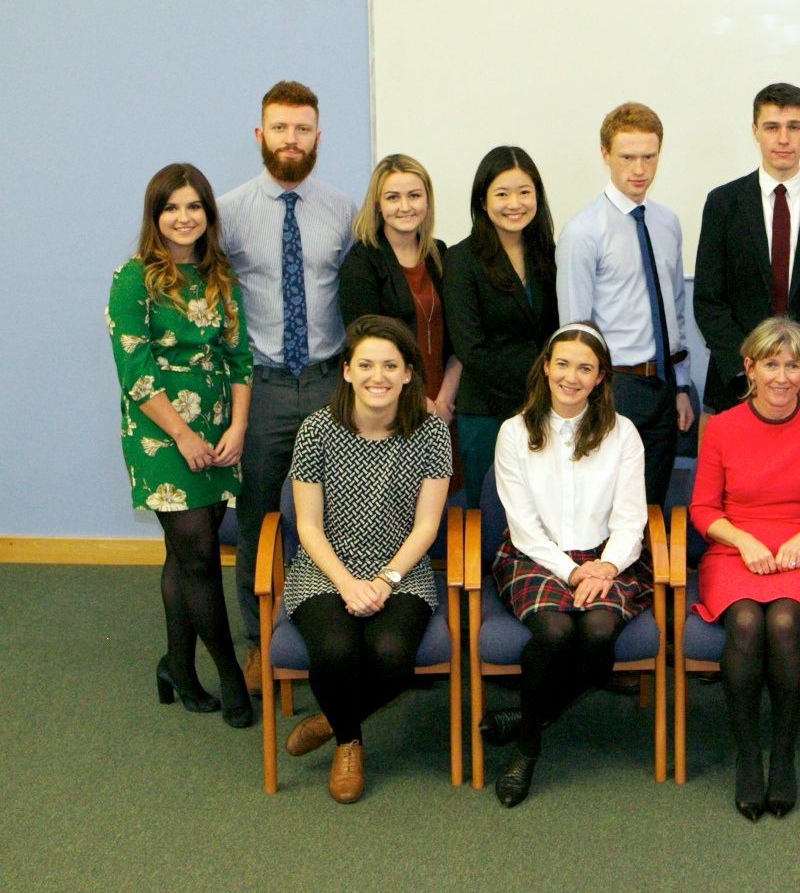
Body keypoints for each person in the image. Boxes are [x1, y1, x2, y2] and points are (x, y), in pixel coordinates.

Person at [688, 317, 800, 821]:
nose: (782, 377)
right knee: (747, 620)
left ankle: (784, 756)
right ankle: (749, 757)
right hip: (735, 550)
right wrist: (742, 539)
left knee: (785, 621)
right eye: (771, 364)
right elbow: (702, 509)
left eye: (793, 365)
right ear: (749, 368)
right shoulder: (722, 426)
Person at [278, 316, 452, 804]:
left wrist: (385, 579)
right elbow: (308, 527)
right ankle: (349, 743)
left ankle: (330, 720)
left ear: (408, 374)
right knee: (336, 651)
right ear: (347, 371)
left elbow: (427, 527)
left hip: (402, 569)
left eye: (391, 366)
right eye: (367, 365)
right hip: (324, 567)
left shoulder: (431, 434)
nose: (379, 376)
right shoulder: (316, 430)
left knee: (393, 655)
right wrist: (347, 583)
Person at [220, 80, 356, 693]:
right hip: (262, 386)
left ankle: (326, 630)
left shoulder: (343, 210)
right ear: (260, 134)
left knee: (332, 514)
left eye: (302, 129)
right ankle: (258, 641)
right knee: (258, 517)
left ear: (318, 136)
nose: (291, 140)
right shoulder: (228, 213)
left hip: (331, 383)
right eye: (280, 128)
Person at [108, 163, 255, 729]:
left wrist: (237, 427)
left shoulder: (221, 277)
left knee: (184, 554)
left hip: (218, 431)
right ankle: (230, 677)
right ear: (155, 215)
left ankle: (177, 668)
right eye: (171, 207)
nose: (183, 217)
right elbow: (135, 371)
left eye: (194, 206)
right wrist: (183, 434)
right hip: (163, 435)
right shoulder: (134, 278)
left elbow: (239, 357)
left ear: (208, 214)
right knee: (198, 553)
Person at [485, 322, 652, 808]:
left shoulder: (623, 433)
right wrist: (573, 571)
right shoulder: (514, 432)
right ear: (546, 367)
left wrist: (607, 566)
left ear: (600, 377)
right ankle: (528, 750)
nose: (571, 377)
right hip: (535, 555)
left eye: (584, 368)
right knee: (555, 631)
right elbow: (523, 525)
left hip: (607, 557)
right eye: (562, 364)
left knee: (599, 630)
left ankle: (529, 716)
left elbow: (631, 519)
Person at [694, 82, 800, 415]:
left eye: (794, 127)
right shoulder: (723, 204)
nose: (783, 138)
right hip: (739, 385)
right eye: (772, 127)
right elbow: (708, 301)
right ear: (755, 131)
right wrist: (750, 367)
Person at [556, 103, 693, 505]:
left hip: (663, 386)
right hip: (612, 387)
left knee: (651, 507)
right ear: (605, 154)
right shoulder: (582, 232)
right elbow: (574, 330)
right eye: (627, 157)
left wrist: (681, 385)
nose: (639, 169)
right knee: (607, 506)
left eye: (649, 157)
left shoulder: (667, 223)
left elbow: (675, 309)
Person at [444, 146, 558, 508]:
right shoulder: (461, 259)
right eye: (502, 194)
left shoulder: (549, 253)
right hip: (486, 412)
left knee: (542, 510)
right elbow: (470, 347)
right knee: (490, 514)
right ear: (483, 199)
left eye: (524, 192)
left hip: (543, 409)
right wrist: (535, 388)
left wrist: (545, 398)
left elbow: (556, 333)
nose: (515, 204)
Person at [339, 153, 462, 429]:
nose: (405, 207)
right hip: (389, 406)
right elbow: (364, 348)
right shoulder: (361, 263)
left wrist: (442, 402)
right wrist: (424, 404)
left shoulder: (440, 255)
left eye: (414, 196)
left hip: (446, 404)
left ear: (427, 200)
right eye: (393, 197)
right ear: (378, 204)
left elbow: (460, 338)